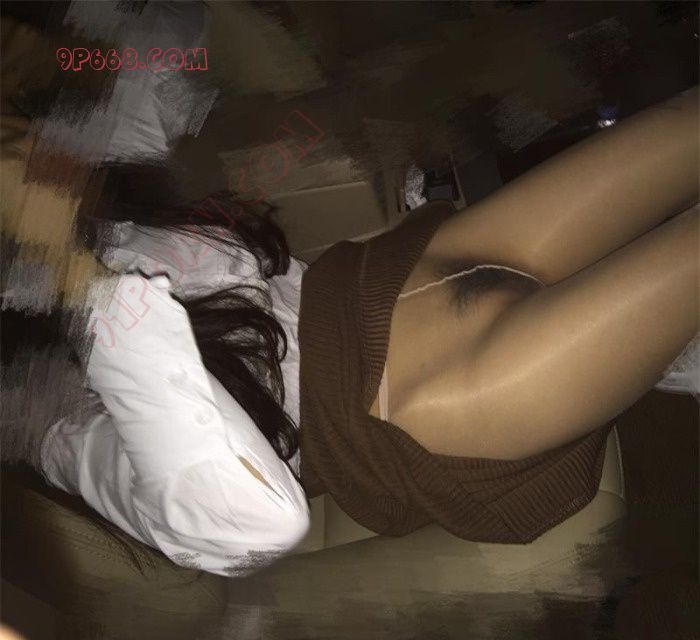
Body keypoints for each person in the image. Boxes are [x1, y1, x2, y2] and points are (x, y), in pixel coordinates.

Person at [8, 85, 699, 578]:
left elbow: (159, 42)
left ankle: (642, 337)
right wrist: (71, 274)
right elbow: (249, 524)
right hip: (402, 414)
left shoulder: (87, 198)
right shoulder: (40, 405)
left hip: (384, 276)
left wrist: (51, 68)